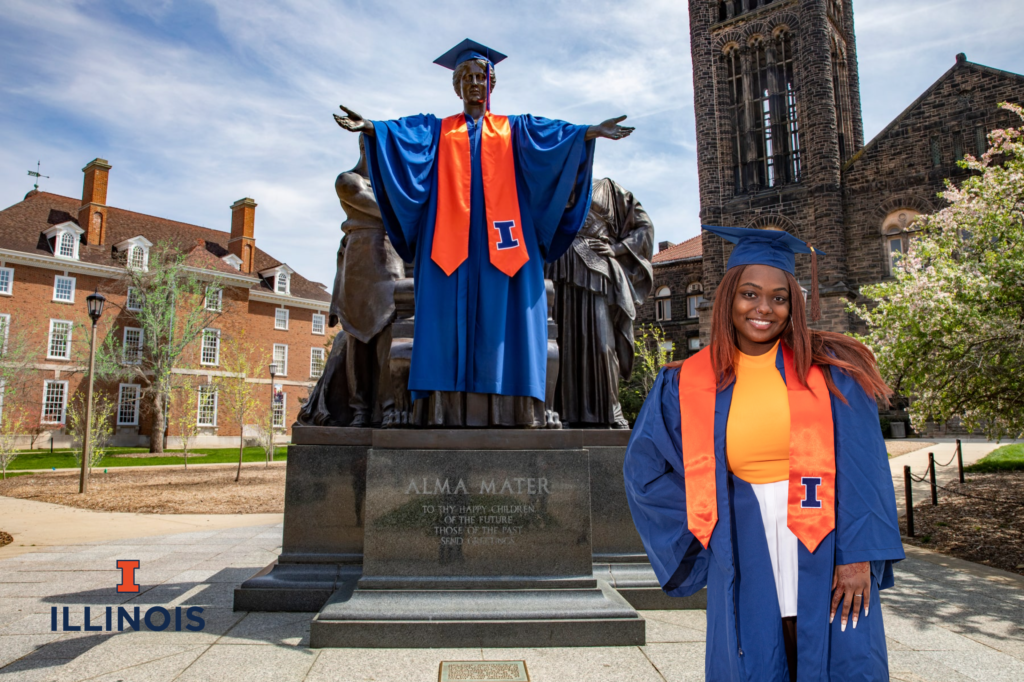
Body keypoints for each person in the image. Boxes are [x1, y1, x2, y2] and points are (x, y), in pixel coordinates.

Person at [623, 225, 903, 682]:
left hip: (825, 534)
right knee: (755, 654)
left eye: (779, 297)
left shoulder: (831, 370)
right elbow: (646, 469)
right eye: (750, 294)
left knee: (835, 650)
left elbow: (864, 468)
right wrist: (706, 520)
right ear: (729, 298)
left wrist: (859, 557)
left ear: (794, 305)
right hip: (743, 531)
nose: (763, 308)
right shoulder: (685, 382)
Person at [333, 39, 634, 418]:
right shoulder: (439, 131)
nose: (476, 83)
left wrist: (588, 132)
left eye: (483, 76)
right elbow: (405, 137)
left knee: (508, 314)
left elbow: (552, 139)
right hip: (448, 242)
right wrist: (374, 128)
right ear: (457, 86)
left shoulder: (514, 130)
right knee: (444, 317)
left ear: (492, 86)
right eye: (468, 77)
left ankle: (516, 409)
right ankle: (443, 411)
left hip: (504, 241)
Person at [546, 177, 654, 428]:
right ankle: (561, 412)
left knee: (602, 344)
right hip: (556, 268)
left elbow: (644, 226)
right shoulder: (550, 179)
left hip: (596, 270)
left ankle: (607, 411)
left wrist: (618, 249)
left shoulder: (608, 187)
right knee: (560, 342)